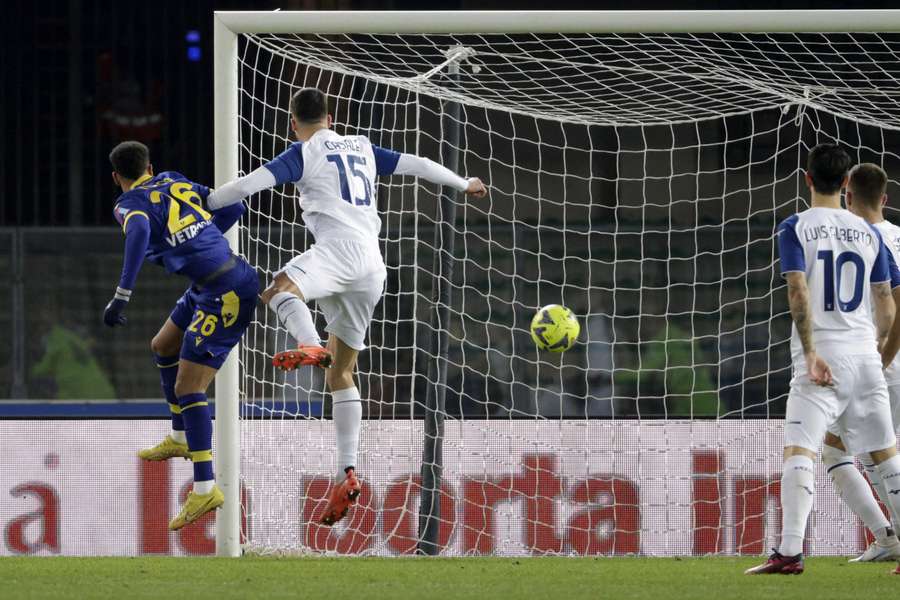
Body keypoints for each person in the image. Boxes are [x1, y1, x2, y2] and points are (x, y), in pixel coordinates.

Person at [206, 87, 486, 526]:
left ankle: (309, 341)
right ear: (331, 116)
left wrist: (203, 202)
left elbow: (245, 187)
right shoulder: (362, 147)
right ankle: (346, 470)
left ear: (293, 123)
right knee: (341, 373)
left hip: (336, 253)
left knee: (278, 290)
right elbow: (419, 165)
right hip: (373, 267)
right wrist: (463, 182)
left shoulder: (303, 152)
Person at [746, 144, 900, 575]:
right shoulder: (868, 232)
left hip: (823, 360)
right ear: (846, 183)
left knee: (802, 449)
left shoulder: (796, 226)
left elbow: (798, 291)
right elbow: (887, 303)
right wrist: (874, 347)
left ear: (808, 179)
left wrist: (813, 353)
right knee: (885, 456)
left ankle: (790, 550)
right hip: (866, 356)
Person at [103, 141, 258, 531]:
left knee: (190, 387)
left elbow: (137, 230)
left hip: (225, 292)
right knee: (163, 345)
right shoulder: (172, 179)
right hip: (208, 284)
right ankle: (179, 435)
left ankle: (205, 487)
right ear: (150, 166)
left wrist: (122, 295)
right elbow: (233, 206)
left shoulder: (128, 204)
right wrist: (199, 240)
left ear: (115, 177)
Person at [822, 163, 900, 563]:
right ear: (885, 198)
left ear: (848, 195)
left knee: (837, 453)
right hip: (888, 363)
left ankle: (888, 538)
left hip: (874, 362)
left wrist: (882, 357)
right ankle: (887, 540)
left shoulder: (856, 240)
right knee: (876, 451)